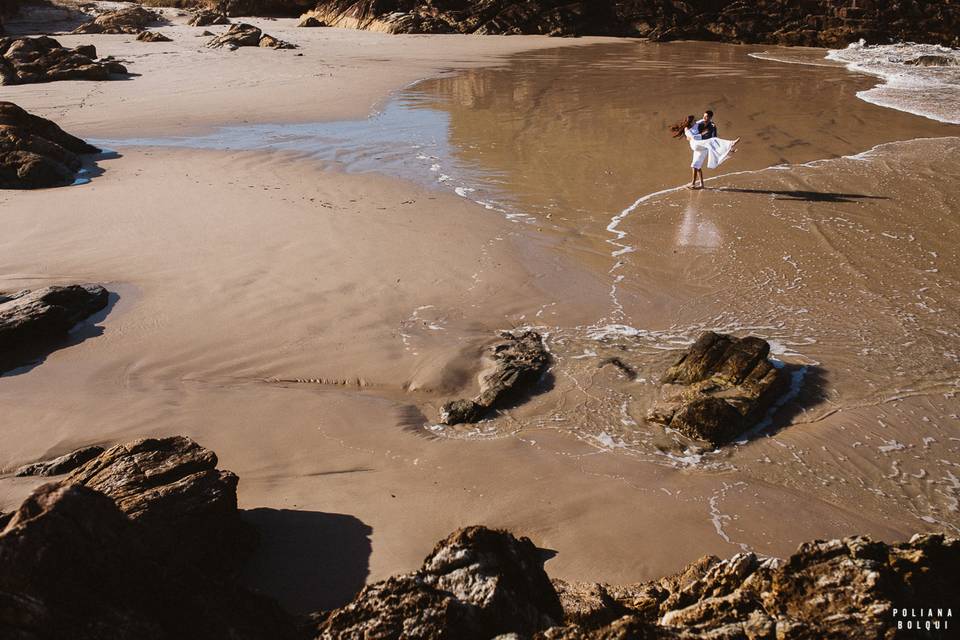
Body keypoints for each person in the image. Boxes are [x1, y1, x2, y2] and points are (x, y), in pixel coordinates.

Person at [670, 114, 741, 189]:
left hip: (702, 147)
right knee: (711, 141)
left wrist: (712, 123)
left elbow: (706, 120)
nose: (695, 121)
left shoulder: (696, 124)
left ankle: (700, 184)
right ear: (690, 122)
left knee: (696, 165)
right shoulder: (686, 129)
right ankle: (730, 144)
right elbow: (693, 137)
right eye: (694, 120)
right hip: (696, 145)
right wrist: (702, 134)